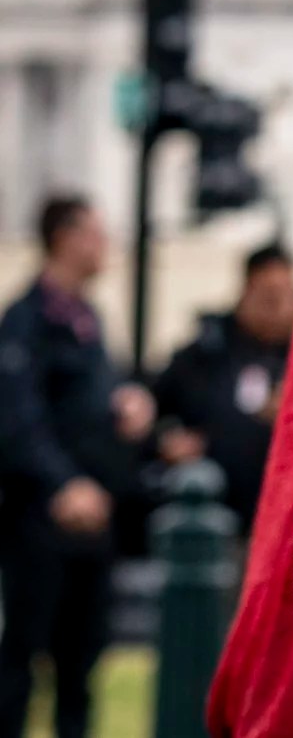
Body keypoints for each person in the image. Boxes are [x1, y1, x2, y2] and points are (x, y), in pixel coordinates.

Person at [0, 196, 154, 738]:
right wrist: (63, 485)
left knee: (81, 663)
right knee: (20, 660)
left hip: (96, 523)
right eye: (94, 231)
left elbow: (86, 404)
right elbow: (18, 419)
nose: (104, 242)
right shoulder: (25, 320)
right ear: (65, 238)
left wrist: (125, 407)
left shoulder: (87, 319)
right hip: (41, 521)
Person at [153, 245, 293, 531]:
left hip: (280, 515)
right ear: (246, 291)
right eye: (269, 297)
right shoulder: (205, 353)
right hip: (209, 514)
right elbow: (153, 410)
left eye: (288, 296)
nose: (279, 308)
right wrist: (168, 441)